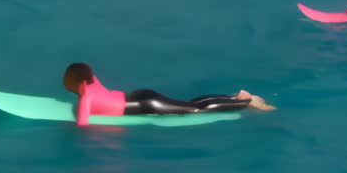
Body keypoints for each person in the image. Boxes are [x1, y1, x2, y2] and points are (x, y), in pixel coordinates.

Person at [61, 62, 274, 127]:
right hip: (139, 95)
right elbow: (87, 73)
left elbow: (83, 125)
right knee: (190, 104)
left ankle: (245, 102)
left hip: (147, 105)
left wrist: (67, 128)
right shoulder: (92, 81)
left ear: (77, 82)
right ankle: (236, 98)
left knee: (195, 110)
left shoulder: (85, 100)